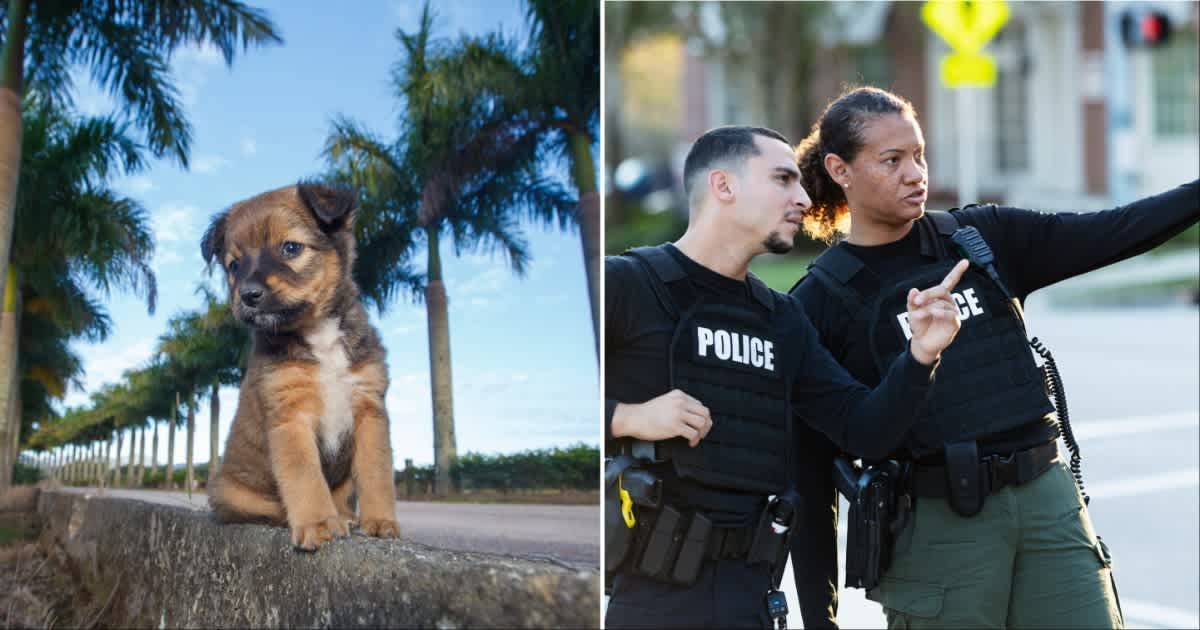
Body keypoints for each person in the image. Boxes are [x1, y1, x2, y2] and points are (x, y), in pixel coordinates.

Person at [789, 85, 1199, 629]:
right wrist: (820, 617)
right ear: (840, 170)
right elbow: (810, 479)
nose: (916, 174)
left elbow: (1118, 230)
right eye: (892, 161)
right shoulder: (819, 301)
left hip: (1047, 506)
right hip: (937, 530)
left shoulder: (981, 238)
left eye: (919, 155)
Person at [604, 125, 970, 629]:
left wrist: (921, 357)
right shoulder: (628, 285)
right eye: (782, 179)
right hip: (652, 598)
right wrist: (625, 417)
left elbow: (863, 428)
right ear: (723, 186)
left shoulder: (782, 318)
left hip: (752, 597)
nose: (802, 198)